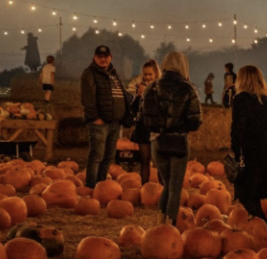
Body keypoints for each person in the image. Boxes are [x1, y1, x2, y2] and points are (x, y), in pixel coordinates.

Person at [143, 52, 202, 225]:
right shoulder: (188, 88)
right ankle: (169, 227)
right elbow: (195, 120)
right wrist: (180, 125)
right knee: (175, 188)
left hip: (157, 141)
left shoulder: (152, 87)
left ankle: (160, 223)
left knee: (167, 185)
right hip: (178, 141)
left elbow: (145, 118)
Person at [230, 66, 267, 224]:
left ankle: (265, 226)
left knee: (244, 193)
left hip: (251, 152)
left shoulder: (241, 99)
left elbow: (238, 128)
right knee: (255, 192)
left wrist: (237, 153)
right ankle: (263, 227)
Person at [80, 45, 129, 188]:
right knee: (97, 156)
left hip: (115, 122)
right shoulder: (89, 73)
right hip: (100, 123)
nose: (103, 59)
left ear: (110, 57)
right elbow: (87, 99)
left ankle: (101, 187)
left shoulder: (113, 74)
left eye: (105, 56)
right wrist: (96, 118)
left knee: (108, 158)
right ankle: (91, 187)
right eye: (100, 57)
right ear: (94, 58)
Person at [128, 60, 160, 185]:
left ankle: (160, 189)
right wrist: (139, 96)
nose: (147, 77)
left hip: (156, 127)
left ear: (156, 74)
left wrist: (147, 94)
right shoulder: (140, 88)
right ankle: (145, 187)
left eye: (150, 74)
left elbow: (159, 108)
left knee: (158, 162)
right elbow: (134, 109)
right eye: (145, 74)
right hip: (143, 127)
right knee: (144, 161)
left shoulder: (160, 89)